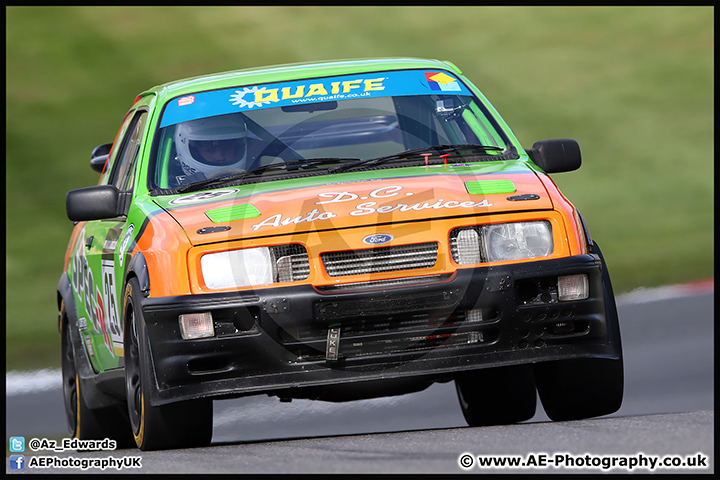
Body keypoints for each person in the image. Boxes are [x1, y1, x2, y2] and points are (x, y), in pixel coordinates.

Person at [174, 114, 248, 178]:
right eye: (210, 151)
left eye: (227, 149)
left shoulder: (257, 171)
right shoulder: (168, 188)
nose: (220, 157)